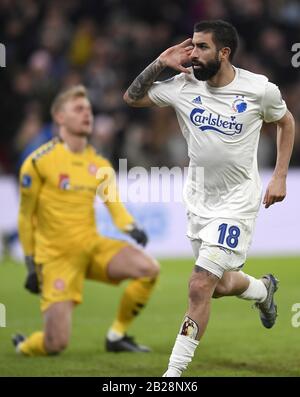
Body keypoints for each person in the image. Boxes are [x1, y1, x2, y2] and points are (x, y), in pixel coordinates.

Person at [123, 20, 295, 376]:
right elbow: (132, 98)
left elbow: (286, 122)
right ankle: (263, 290)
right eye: (192, 46)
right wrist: (160, 62)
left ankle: (173, 375)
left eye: (202, 47)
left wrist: (279, 175)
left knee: (200, 283)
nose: (193, 54)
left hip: (237, 203)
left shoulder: (259, 90)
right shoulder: (183, 86)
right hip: (199, 201)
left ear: (224, 52)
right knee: (219, 286)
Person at [14, 85, 160, 356]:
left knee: (148, 268)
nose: (87, 115)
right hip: (57, 258)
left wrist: (131, 227)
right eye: (79, 109)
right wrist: (30, 262)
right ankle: (25, 345)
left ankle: (116, 335)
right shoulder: (38, 162)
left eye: (89, 110)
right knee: (55, 344)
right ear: (59, 117)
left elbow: (114, 205)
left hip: (91, 247)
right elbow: (25, 216)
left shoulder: (99, 164)